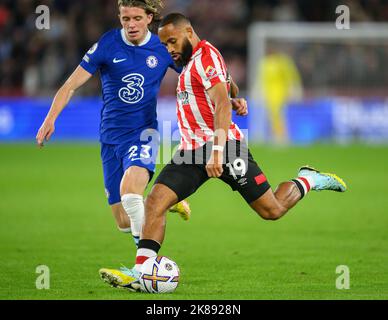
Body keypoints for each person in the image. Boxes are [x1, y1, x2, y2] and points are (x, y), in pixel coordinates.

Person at [105, 13, 347, 292]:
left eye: (173, 41)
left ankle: (308, 179)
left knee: (272, 210)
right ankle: (141, 271)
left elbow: (221, 105)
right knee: (155, 202)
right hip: (191, 151)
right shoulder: (187, 61)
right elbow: (227, 89)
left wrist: (218, 150)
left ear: (189, 32)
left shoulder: (206, 57)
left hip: (227, 149)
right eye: (165, 43)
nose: (169, 48)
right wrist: (235, 97)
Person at [35, 1, 192, 281]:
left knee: (131, 194)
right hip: (110, 139)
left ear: (149, 19)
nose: (130, 24)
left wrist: (229, 95)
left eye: (136, 18)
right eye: (125, 18)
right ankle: (165, 201)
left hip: (143, 133)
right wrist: (50, 118)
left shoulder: (161, 48)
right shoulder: (107, 44)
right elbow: (70, 85)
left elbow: (196, 75)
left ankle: (143, 271)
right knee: (123, 221)